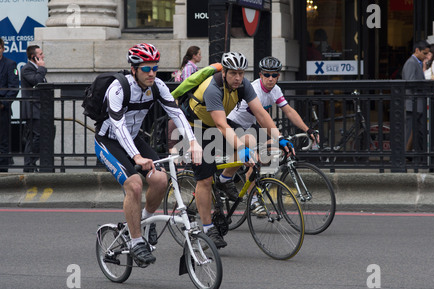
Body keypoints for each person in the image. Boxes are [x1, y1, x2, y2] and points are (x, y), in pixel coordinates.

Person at [94, 43, 202, 266]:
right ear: (133, 69)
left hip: (133, 139)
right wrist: (136, 158)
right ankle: (135, 241)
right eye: (146, 68)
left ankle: (145, 220)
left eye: (155, 67)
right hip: (109, 141)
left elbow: (176, 113)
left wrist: (192, 141)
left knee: (161, 180)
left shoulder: (158, 85)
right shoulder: (117, 88)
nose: (152, 72)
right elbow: (119, 127)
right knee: (134, 185)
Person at [180, 52, 293, 248]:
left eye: (241, 73)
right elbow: (222, 125)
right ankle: (208, 229)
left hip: (215, 127)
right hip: (195, 128)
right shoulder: (213, 88)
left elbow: (260, 114)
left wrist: (280, 138)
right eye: (233, 73)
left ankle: (224, 180)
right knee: (205, 179)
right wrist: (241, 150)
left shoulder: (244, 85)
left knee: (251, 140)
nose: (238, 78)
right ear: (224, 72)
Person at [227, 56, 319, 215]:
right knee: (255, 152)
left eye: (274, 75)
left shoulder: (276, 90)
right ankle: (253, 200)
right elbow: (261, 116)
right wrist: (278, 136)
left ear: (278, 76)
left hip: (249, 125)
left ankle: (245, 175)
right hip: (232, 124)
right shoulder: (254, 89)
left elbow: (288, 111)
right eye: (267, 75)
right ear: (260, 75)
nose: (270, 78)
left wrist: (308, 130)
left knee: (272, 148)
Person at [21, 45, 47, 172]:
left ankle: (31, 163)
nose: (43, 56)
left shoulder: (36, 69)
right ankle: (29, 164)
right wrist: (41, 68)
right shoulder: (27, 69)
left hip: (40, 109)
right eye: (40, 54)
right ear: (33, 57)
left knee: (38, 136)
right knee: (35, 137)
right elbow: (36, 82)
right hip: (33, 109)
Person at [0, 38, 20, 172]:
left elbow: (13, 88)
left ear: (2, 48)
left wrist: (3, 103)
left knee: (2, 141)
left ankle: (2, 171)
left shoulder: (10, 64)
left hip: (2, 109)